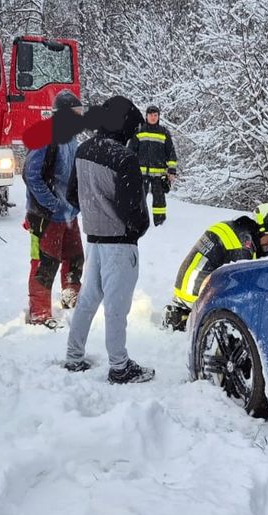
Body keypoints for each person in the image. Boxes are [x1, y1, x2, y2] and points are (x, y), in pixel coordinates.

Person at [64, 96, 155, 384]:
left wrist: (95, 210)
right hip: (120, 244)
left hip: (94, 239)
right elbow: (133, 210)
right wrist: (139, 227)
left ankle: (74, 356)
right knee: (117, 307)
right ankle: (120, 367)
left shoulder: (83, 150)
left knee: (88, 299)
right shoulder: (124, 158)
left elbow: (71, 195)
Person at [162, 200, 268, 331]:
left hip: (186, 286)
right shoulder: (243, 245)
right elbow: (242, 285)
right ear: (264, 228)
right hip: (196, 297)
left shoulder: (232, 228)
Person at [23, 91, 85, 329]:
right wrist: (52, 203)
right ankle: (39, 312)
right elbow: (31, 175)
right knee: (44, 263)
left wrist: (75, 203)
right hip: (45, 215)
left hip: (69, 213)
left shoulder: (71, 139)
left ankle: (71, 295)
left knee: (75, 258)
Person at [127, 105, 178, 226]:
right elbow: (130, 151)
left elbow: (170, 152)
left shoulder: (164, 132)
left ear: (158, 117)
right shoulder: (139, 131)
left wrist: (171, 170)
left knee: (159, 199)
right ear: (146, 116)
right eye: (151, 115)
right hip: (141, 173)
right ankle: (138, 221)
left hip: (159, 173)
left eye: (156, 115)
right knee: (139, 198)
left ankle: (160, 222)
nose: (153, 117)